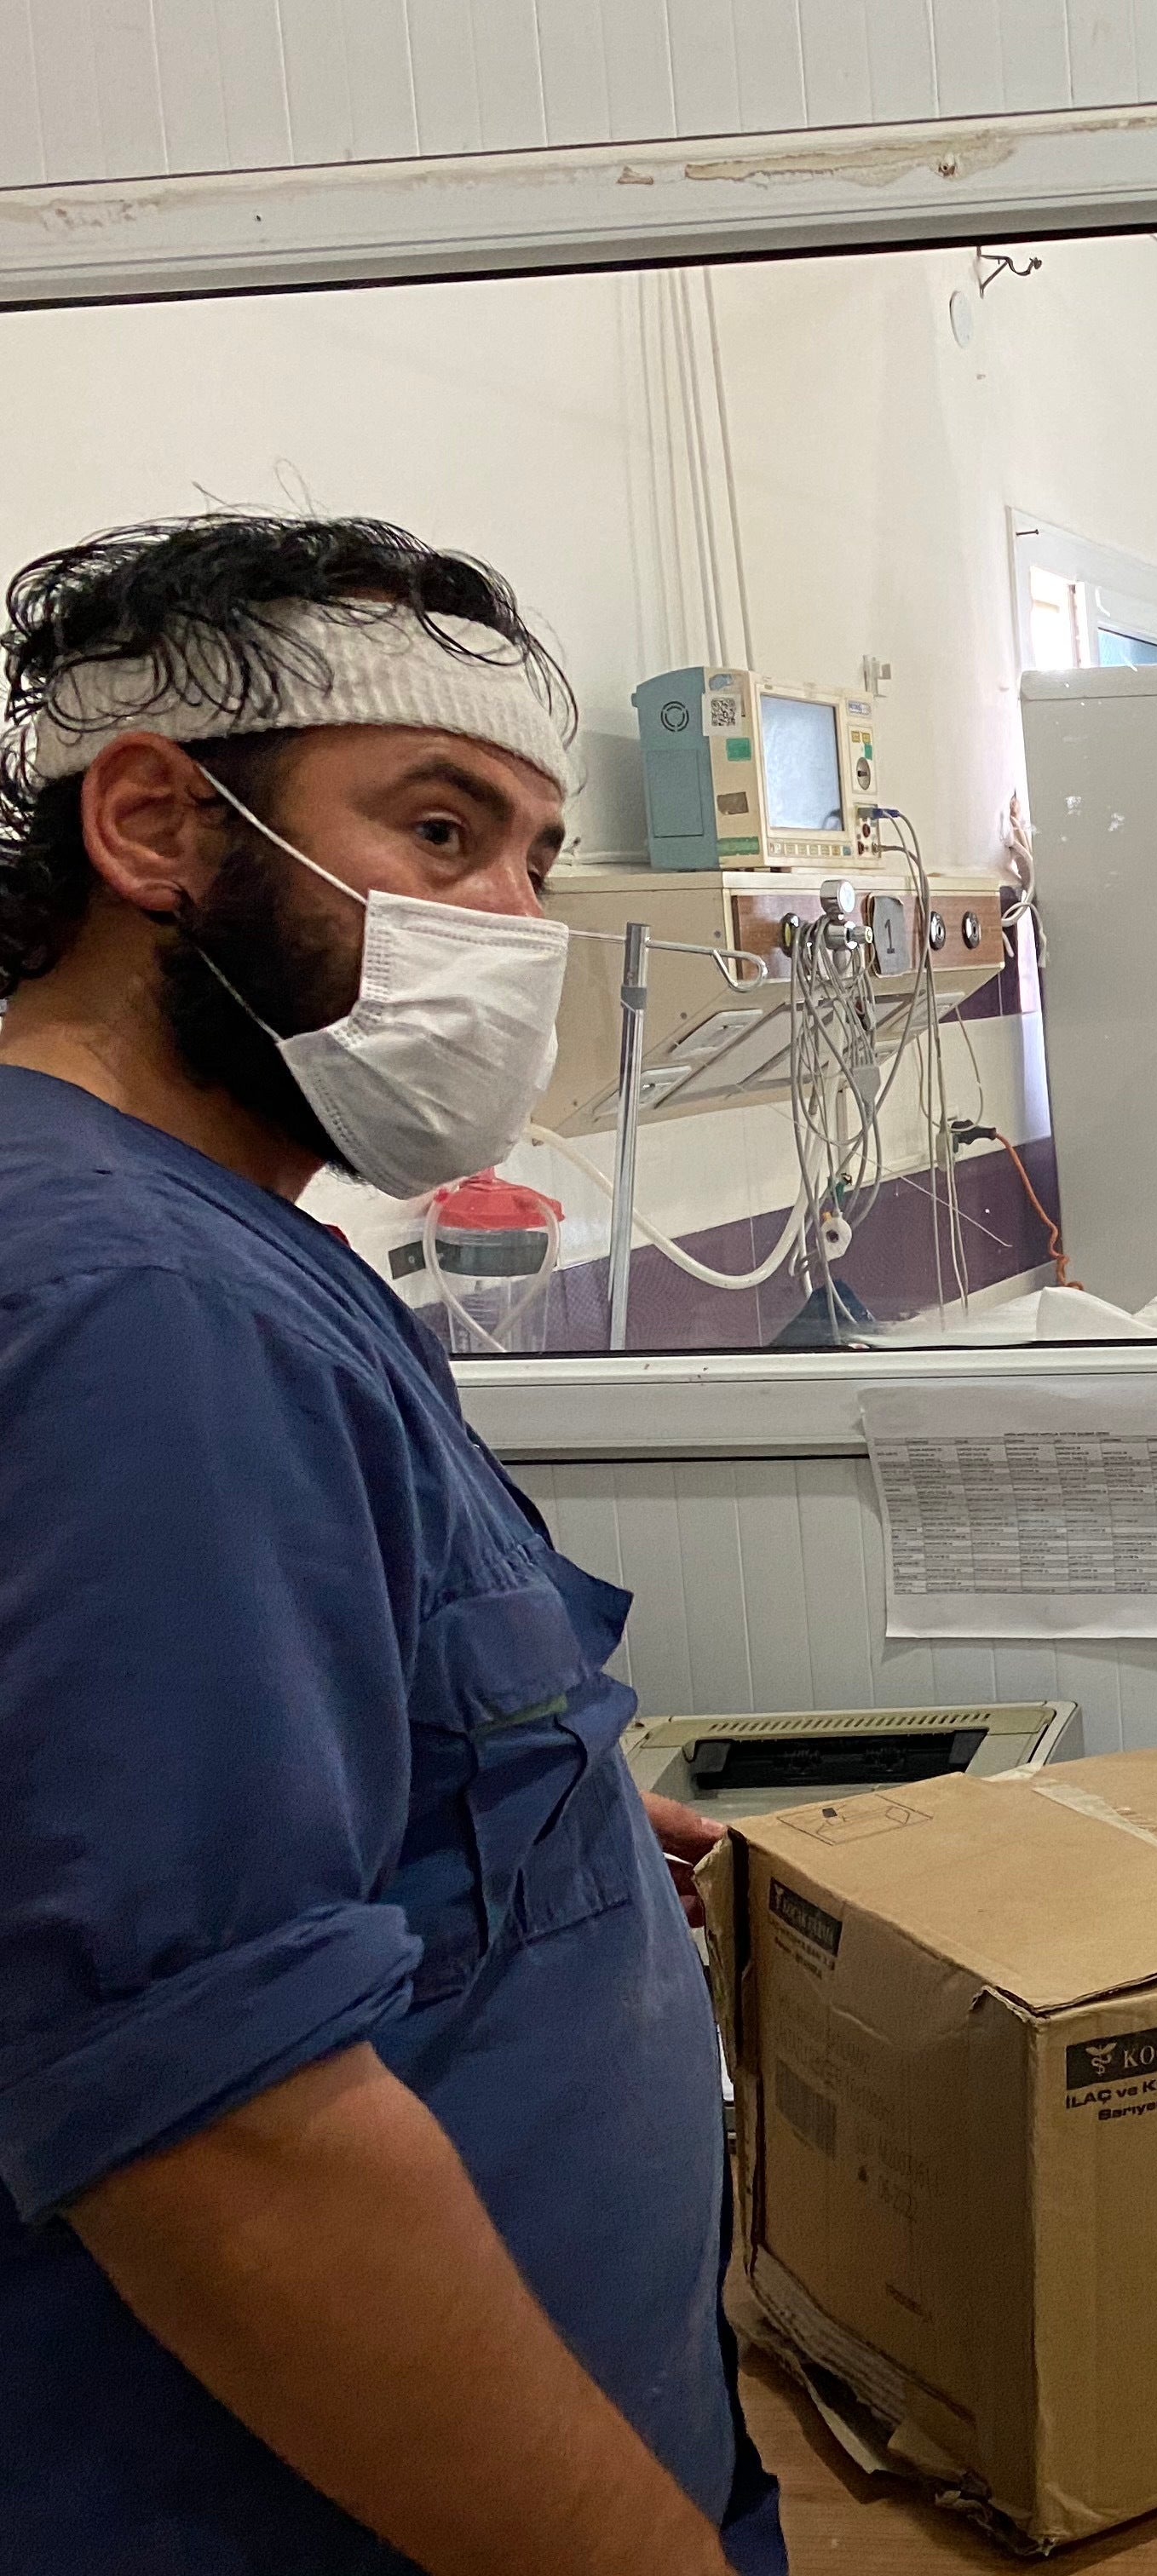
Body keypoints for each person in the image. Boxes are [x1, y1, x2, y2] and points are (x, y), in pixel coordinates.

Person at [0, 515, 782, 2573]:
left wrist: (545, 1826)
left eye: (532, 853)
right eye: (440, 834)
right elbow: (222, 2128)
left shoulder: (237, 1239)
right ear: (159, 824)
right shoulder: (128, 1301)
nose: (510, 923)